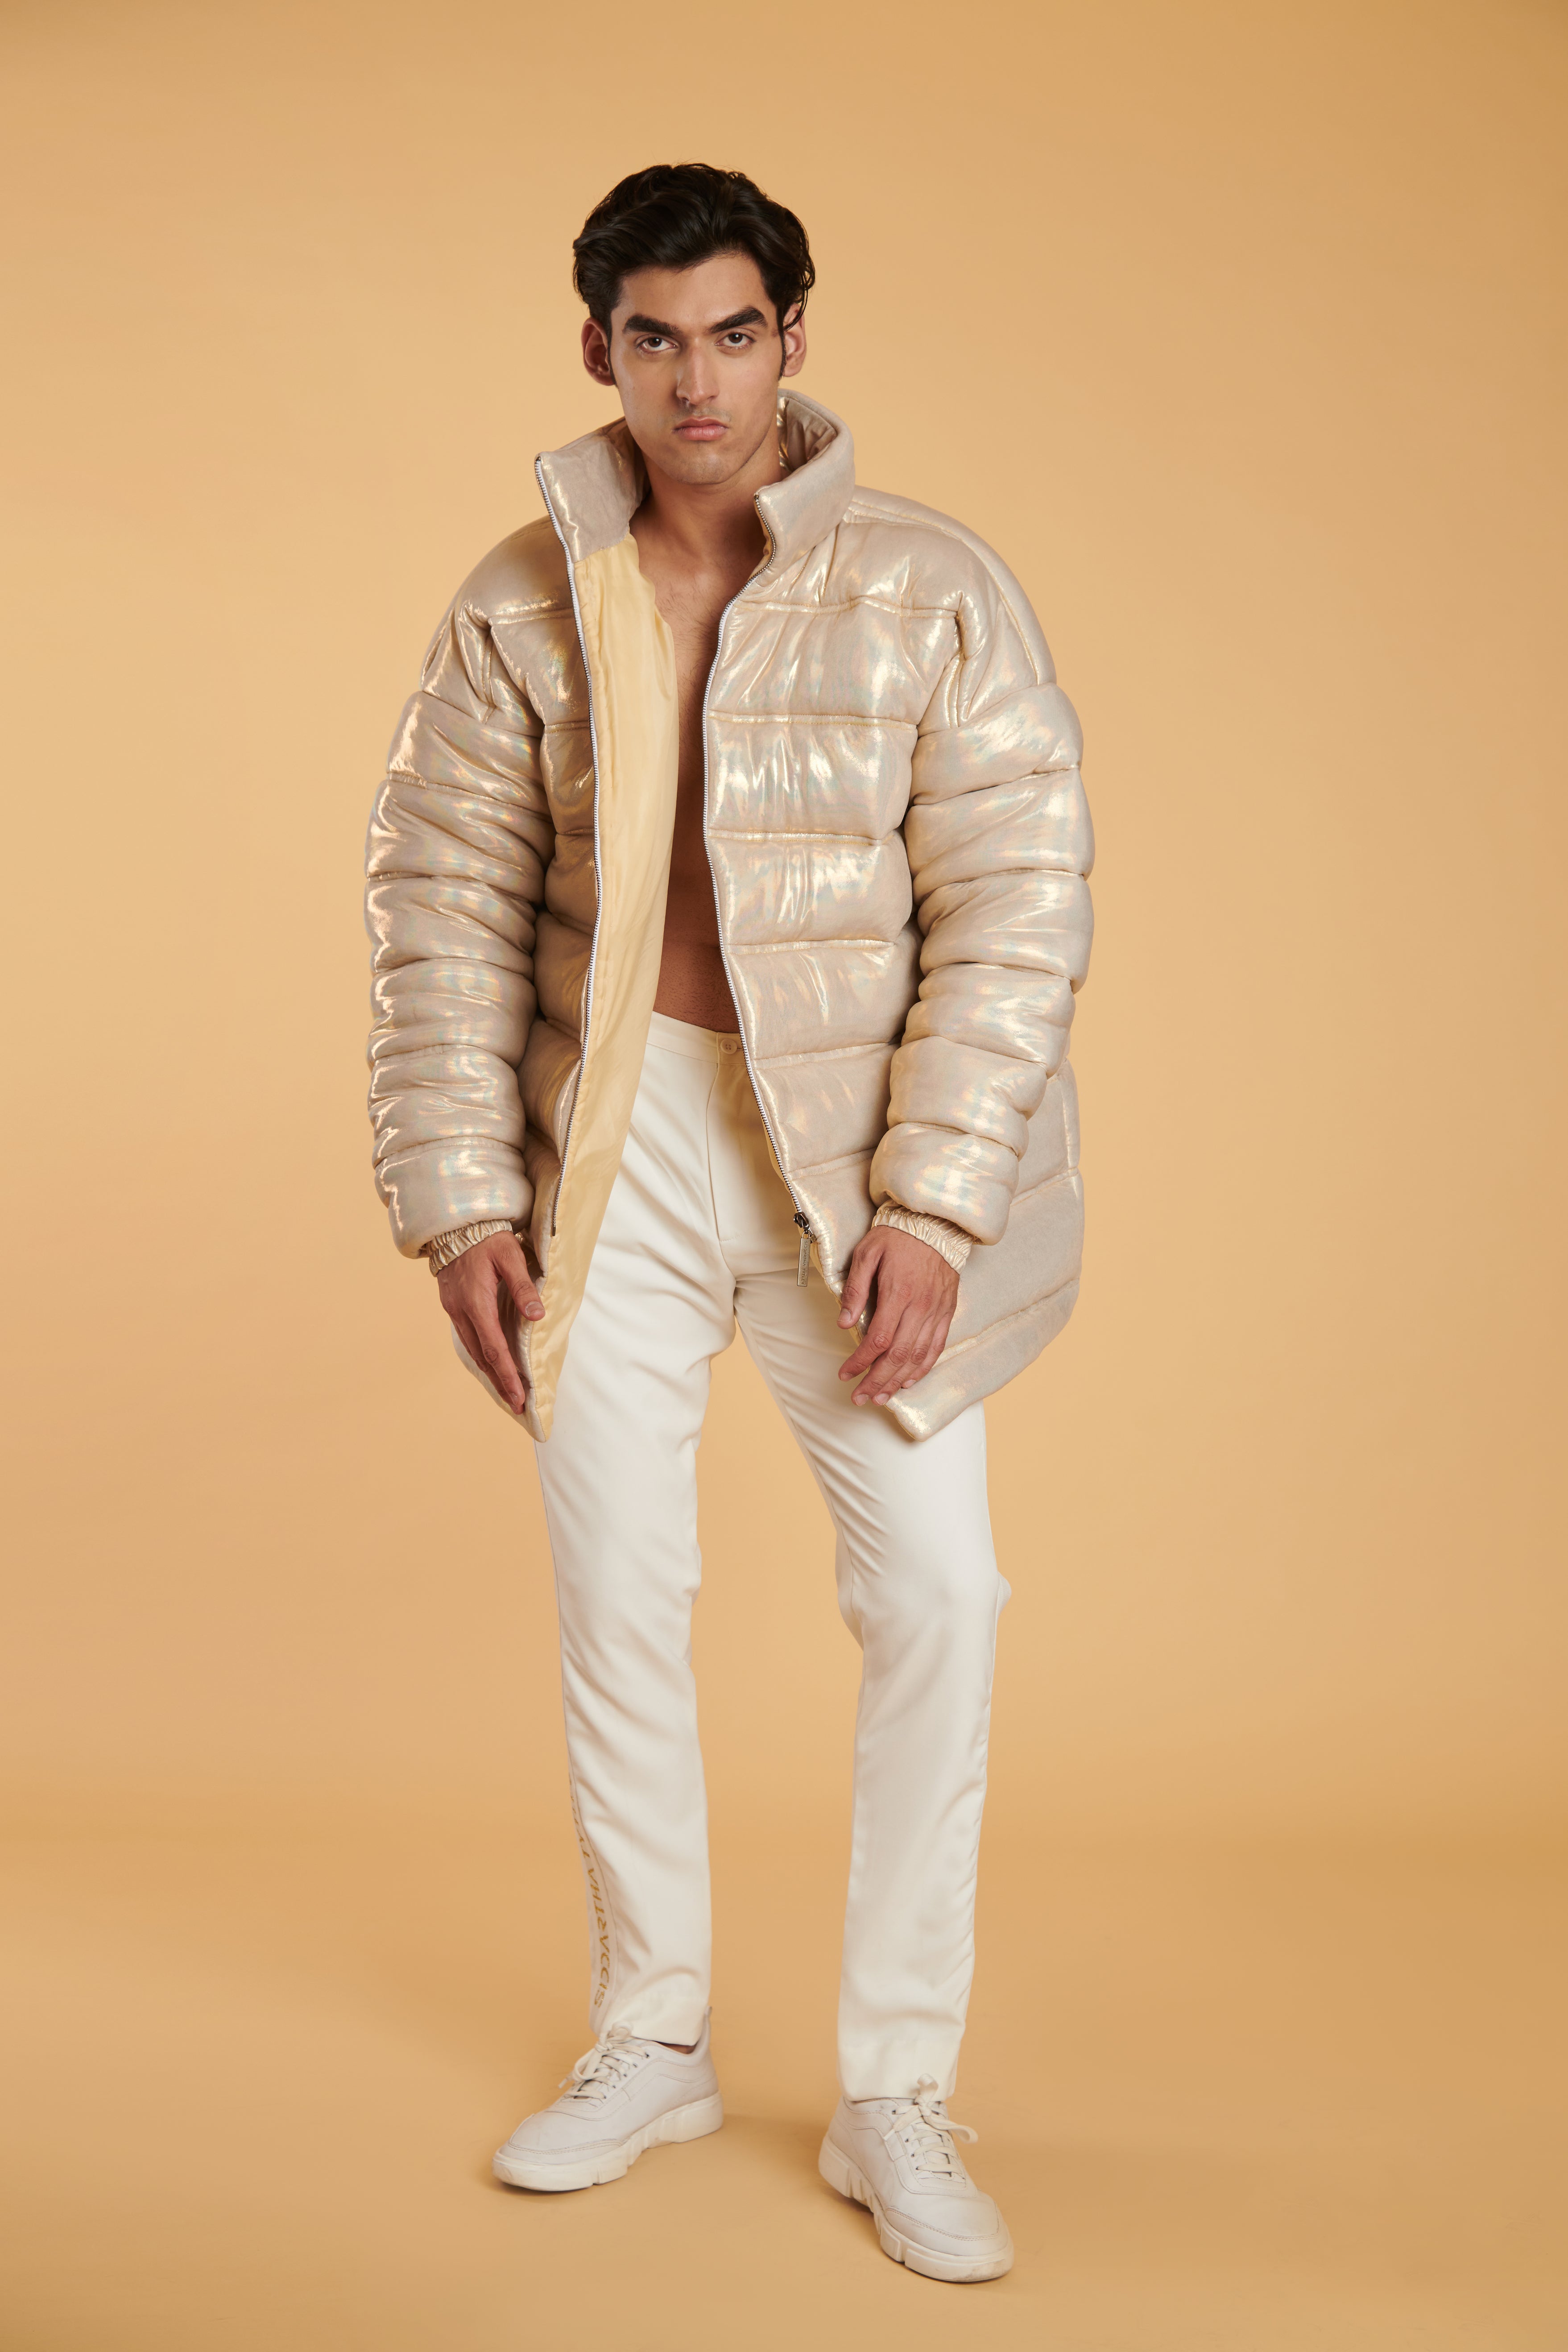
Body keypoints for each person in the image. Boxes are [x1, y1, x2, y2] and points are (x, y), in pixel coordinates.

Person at [364, 162, 1093, 2284]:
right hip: (617, 1141)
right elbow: (440, 901)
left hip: (847, 1151)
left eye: (738, 333)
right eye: (657, 339)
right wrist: (458, 1199)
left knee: (939, 1591)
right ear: (600, 348)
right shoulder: (521, 598)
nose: (701, 383)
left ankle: (895, 2089)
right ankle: (655, 2034)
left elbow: (1016, 905)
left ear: (795, 338)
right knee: (618, 1591)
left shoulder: (930, 586)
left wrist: (936, 1200)